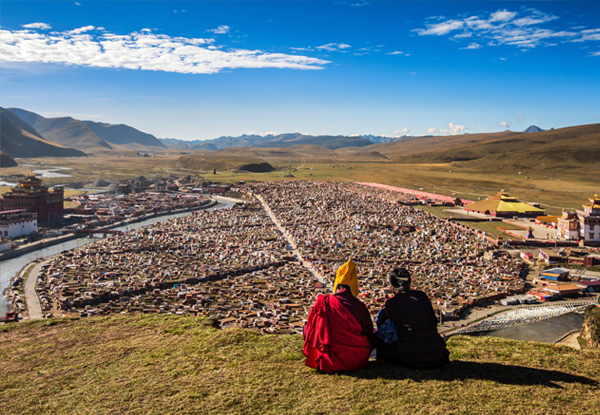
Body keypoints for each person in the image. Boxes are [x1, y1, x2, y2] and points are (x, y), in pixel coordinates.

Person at [303, 259, 374, 373]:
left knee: (308, 327)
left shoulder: (324, 302)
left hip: (328, 360)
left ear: (337, 285)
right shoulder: (359, 306)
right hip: (357, 360)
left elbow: (311, 331)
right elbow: (369, 332)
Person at [376, 268, 449, 369]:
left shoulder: (392, 303)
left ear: (393, 285)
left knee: (379, 334)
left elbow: (383, 322)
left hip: (409, 356)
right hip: (435, 353)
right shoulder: (422, 296)